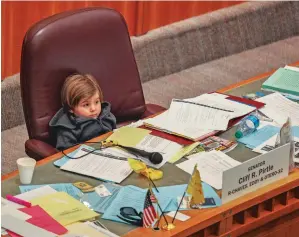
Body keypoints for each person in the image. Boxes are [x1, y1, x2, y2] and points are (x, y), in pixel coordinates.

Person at [49, 74, 116, 150]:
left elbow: (116, 135)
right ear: (71, 108)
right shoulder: (67, 129)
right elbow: (66, 153)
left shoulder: (107, 115)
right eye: (86, 105)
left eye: (97, 102)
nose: (93, 108)